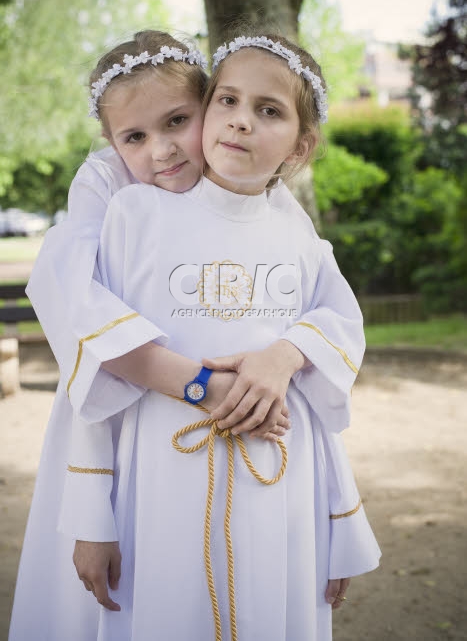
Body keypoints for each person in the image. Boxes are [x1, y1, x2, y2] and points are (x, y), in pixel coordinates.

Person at [39, 32, 380, 641]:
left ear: (301, 145)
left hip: (278, 480)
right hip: (161, 480)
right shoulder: (130, 215)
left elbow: (334, 331)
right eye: (229, 102)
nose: (240, 123)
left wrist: (284, 356)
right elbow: (92, 368)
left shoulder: (293, 229)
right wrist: (93, 517)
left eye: (267, 110)